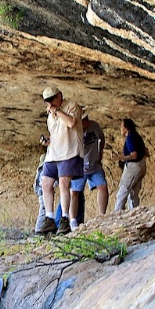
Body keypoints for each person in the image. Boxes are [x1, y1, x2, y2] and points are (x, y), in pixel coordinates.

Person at [38, 86, 83, 235]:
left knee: (64, 183)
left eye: (52, 99)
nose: (50, 104)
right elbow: (56, 133)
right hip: (54, 153)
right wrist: (48, 141)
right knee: (46, 182)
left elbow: (71, 123)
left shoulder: (72, 106)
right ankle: (49, 218)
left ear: (59, 96)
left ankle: (64, 218)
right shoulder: (50, 114)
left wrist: (57, 111)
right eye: (47, 101)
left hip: (69, 151)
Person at [70, 113, 109, 226]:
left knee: (102, 186)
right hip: (80, 168)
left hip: (94, 166)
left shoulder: (94, 126)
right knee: (74, 192)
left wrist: (100, 152)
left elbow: (101, 138)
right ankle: (73, 221)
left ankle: (102, 215)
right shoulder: (75, 131)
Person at [113, 118, 148, 211]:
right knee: (133, 192)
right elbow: (146, 152)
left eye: (122, 126)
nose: (120, 129)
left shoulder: (130, 138)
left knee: (123, 190)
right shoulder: (136, 136)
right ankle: (134, 212)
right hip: (141, 164)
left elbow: (134, 155)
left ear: (126, 128)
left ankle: (116, 213)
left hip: (133, 166)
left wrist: (119, 157)